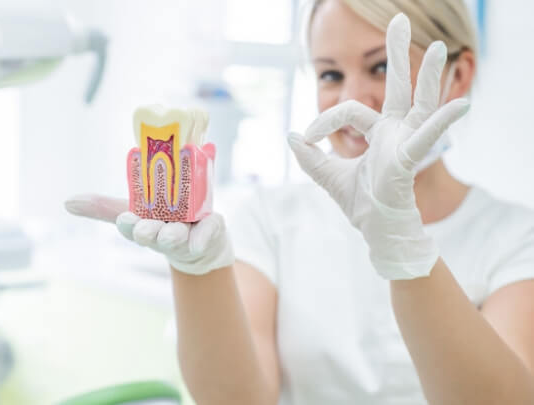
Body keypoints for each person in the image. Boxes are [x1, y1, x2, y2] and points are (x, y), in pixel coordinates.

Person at [64, 1, 534, 403]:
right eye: (330, 73)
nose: (350, 100)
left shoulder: (516, 237)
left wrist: (404, 249)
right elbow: (240, 399)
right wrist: (196, 273)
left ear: (458, 74)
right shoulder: (270, 217)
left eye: (381, 66)